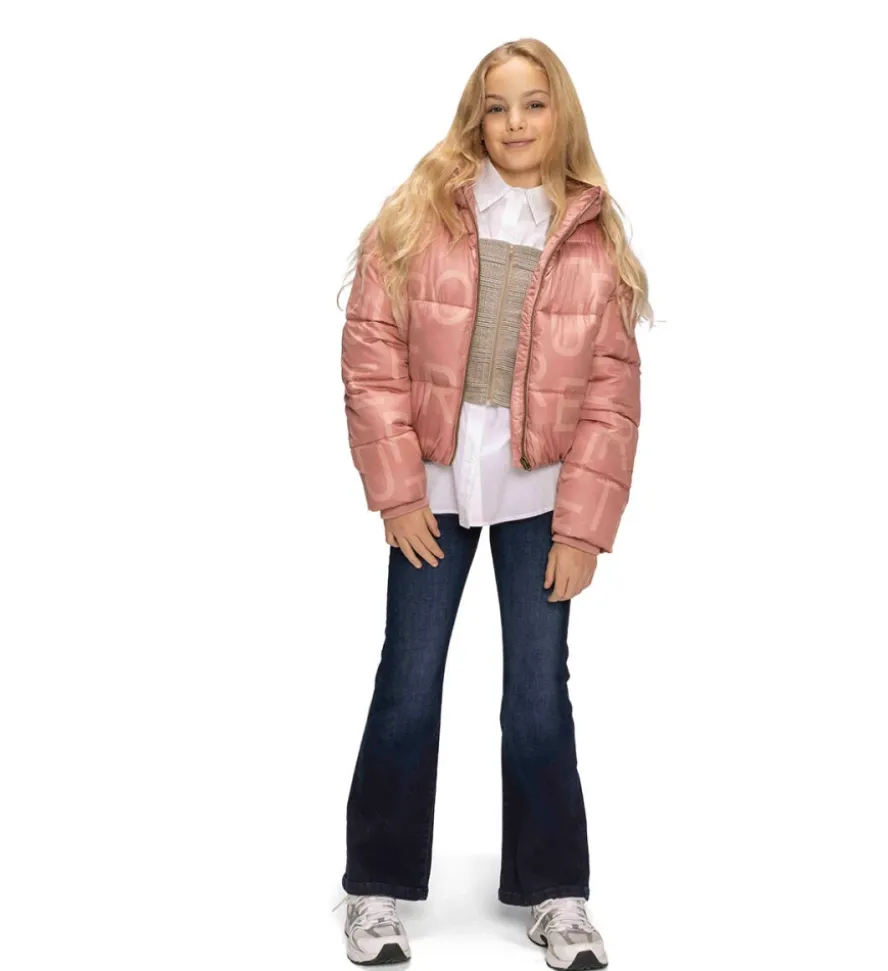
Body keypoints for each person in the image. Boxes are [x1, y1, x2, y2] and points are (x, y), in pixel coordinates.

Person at [333, 37, 652, 969]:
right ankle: (376, 886)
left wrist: (584, 527)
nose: (515, 123)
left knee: (538, 694)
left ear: (561, 114)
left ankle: (557, 892)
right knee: (409, 681)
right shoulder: (420, 214)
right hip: (432, 492)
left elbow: (612, 394)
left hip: (539, 498)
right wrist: (398, 492)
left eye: (534, 104)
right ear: (477, 116)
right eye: (498, 105)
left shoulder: (592, 236)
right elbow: (370, 356)